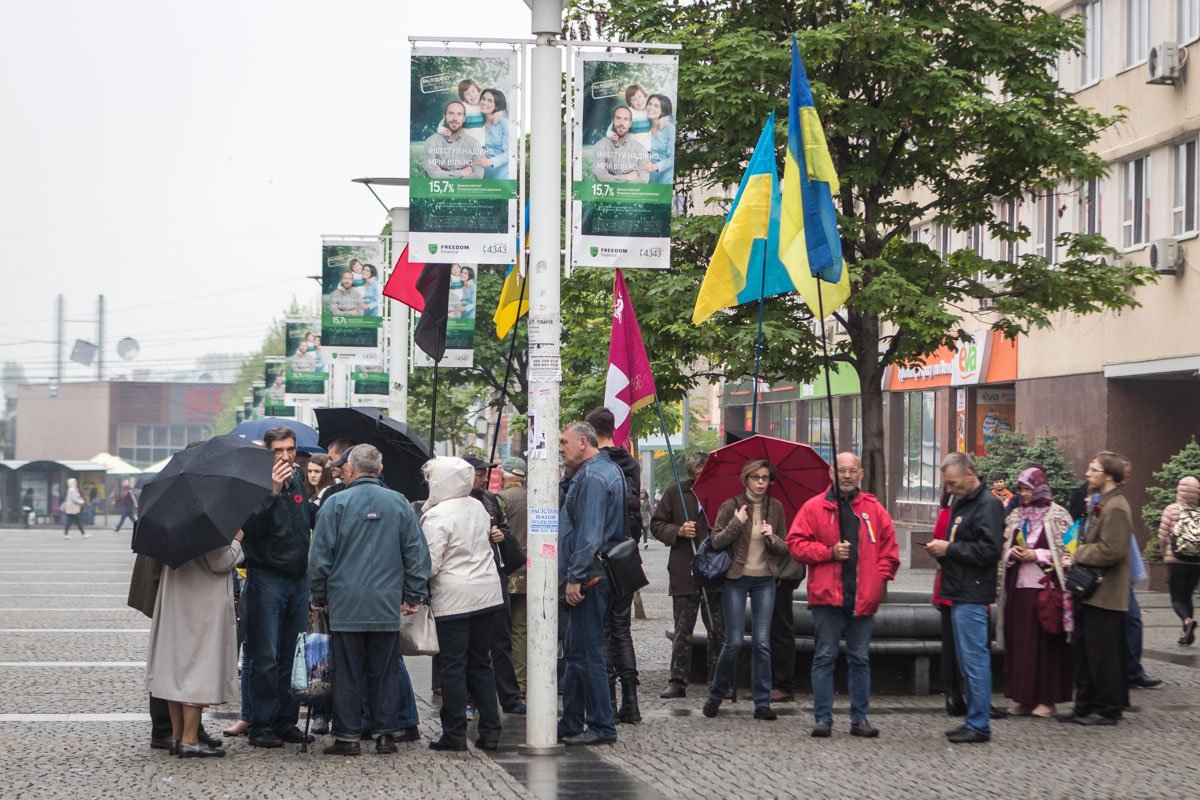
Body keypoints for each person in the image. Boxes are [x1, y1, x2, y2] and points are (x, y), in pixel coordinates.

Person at [308, 445, 430, 756]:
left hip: (344, 602)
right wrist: (414, 593)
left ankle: (347, 737)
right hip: (386, 602)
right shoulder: (399, 503)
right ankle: (386, 735)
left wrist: (318, 594)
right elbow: (416, 552)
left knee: (347, 671)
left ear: (349, 469)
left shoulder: (335, 504)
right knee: (385, 671)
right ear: (380, 468)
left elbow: (320, 556)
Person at [788, 452, 898, 738]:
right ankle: (823, 719)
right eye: (841, 470)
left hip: (862, 597)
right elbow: (796, 545)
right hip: (827, 597)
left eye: (852, 471)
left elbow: (889, 549)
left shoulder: (874, 509)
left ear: (860, 474)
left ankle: (859, 719)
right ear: (831, 474)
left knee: (860, 658)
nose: (846, 476)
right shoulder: (813, 508)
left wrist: (878, 578)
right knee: (824, 657)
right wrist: (829, 552)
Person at [239, 427, 317, 748]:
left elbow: (304, 519)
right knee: (265, 656)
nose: (286, 456)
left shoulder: (297, 479)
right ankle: (261, 724)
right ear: (268, 452)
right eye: (279, 450)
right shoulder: (254, 481)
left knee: (292, 654)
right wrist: (271, 491)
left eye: (291, 449)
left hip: (297, 579)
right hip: (267, 577)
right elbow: (248, 528)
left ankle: (286, 721)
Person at [420, 457, 504, 751]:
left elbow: (431, 563)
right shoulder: (477, 507)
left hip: (453, 598)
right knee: (481, 663)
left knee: (453, 667)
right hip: (487, 594)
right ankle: (491, 730)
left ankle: (454, 733)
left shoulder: (437, 516)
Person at [924, 452, 1004, 744]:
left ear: (970, 474)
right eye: (946, 484)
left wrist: (949, 549)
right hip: (958, 589)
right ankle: (973, 719)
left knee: (974, 660)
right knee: (967, 660)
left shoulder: (988, 505)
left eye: (952, 483)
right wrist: (943, 549)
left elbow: (990, 550)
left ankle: (979, 724)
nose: (949, 489)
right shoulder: (963, 502)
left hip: (972, 591)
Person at [702, 459, 789, 721]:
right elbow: (716, 541)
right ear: (746, 479)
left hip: (764, 580)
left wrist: (772, 537)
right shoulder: (731, 505)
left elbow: (784, 547)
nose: (761, 482)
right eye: (756, 477)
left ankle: (762, 703)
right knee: (734, 641)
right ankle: (715, 695)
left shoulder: (776, 507)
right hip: (736, 578)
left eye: (765, 478)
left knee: (762, 643)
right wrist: (737, 522)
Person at [144, 531, 244, 758]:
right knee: (197, 670)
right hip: (201, 603)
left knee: (176, 674)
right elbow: (221, 561)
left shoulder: (171, 525)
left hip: (176, 600)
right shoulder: (207, 525)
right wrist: (237, 540)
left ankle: (177, 736)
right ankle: (190, 739)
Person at [557, 421, 627, 745]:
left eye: (564, 442)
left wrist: (575, 577)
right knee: (575, 652)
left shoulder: (594, 477)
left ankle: (601, 725)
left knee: (587, 653)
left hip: (590, 575)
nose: (561, 448)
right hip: (595, 573)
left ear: (583, 443)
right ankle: (571, 721)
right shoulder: (601, 471)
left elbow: (589, 535)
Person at [1060, 451, 1134, 725]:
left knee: (1103, 655)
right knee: (1083, 651)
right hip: (1089, 590)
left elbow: (1113, 550)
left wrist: (1078, 553)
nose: (1088, 474)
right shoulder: (1100, 502)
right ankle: (1084, 704)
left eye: (1093, 470)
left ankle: (1106, 709)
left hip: (1105, 593)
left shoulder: (1116, 507)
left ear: (1109, 475)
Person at [584, 407, 644, 725]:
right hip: (627, 554)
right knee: (621, 628)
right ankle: (631, 702)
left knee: (604, 629)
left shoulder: (597, 467)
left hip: (603, 555)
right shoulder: (630, 463)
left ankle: (608, 701)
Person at [998, 467, 1074, 718]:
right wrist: (1012, 554)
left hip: (1047, 591)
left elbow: (1071, 551)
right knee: (1021, 644)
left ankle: (1047, 699)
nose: (1023, 494)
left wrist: (1037, 554)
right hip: (1019, 591)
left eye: (1027, 489)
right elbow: (1004, 549)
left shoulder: (1059, 515)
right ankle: (1023, 697)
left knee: (1046, 645)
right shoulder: (1015, 516)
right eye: (1020, 489)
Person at [652, 452, 724, 698]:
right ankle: (678, 680)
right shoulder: (676, 493)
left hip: (714, 571)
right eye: (697, 473)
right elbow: (657, 525)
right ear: (690, 474)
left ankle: (718, 680)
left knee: (718, 629)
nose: (702, 477)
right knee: (683, 629)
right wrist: (678, 531)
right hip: (684, 569)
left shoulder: (720, 494)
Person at [463, 455, 525, 716]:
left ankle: (509, 697)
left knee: (501, 640)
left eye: (484, 473)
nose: (484, 478)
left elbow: (505, 530)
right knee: (469, 645)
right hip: (467, 579)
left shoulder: (490, 499)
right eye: (479, 474)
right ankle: (469, 699)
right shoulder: (453, 502)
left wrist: (502, 535)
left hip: (495, 576)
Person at [496, 457, 529, 694]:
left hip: (506, 572)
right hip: (530, 572)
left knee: (498, 631)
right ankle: (520, 682)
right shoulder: (537, 497)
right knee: (521, 629)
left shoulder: (500, 499)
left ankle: (500, 682)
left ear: (503, 476)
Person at [1158, 476, 1200, 645]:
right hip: (1196, 563)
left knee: (1177, 599)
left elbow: (1162, 536)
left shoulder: (1171, 510)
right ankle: (1187, 636)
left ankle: (1187, 621)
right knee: (1187, 597)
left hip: (1175, 561)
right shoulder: (1198, 513)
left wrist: (1164, 554)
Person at [424, 100, 484, 179]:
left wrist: (442, 173)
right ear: (444, 116)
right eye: (451, 113)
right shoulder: (432, 141)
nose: (455, 118)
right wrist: (461, 172)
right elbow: (431, 173)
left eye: (459, 114)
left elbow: (478, 176)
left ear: (464, 118)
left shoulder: (474, 144)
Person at [593, 106, 648, 183]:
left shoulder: (640, 149)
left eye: (626, 119)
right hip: (607, 191)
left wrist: (610, 177)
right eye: (618, 118)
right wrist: (627, 177)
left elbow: (643, 180)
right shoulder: (601, 145)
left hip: (627, 192)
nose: (622, 123)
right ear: (612, 121)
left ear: (630, 124)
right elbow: (599, 176)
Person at [639, 94, 675, 185]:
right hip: (644, 177)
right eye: (650, 104)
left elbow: (672, 158)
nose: (651, 108)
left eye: (656, 106)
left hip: (664, 178)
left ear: (663, 111)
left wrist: (655, 166)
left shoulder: (670, 128)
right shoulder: (642, 125)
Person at [476, 88, 510, 180]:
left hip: (503, 177)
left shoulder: (504, 123)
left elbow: (510, 153)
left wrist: (489, 161)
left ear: (497, 106)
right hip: (485, 175)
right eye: (483, 99)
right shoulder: (478, 121)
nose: (484, 102)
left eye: (490, 101)